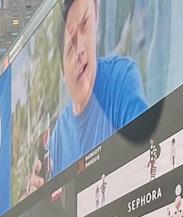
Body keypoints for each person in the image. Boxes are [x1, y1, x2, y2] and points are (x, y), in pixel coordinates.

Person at [29, 0, 147, 189]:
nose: (80, 51)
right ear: (62, 70)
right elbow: (61, 208)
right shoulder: (57, 138)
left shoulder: (122, 77)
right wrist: (37, 204)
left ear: (96, 21)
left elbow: (144, 155)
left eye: (85, 25)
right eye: (70, 47)